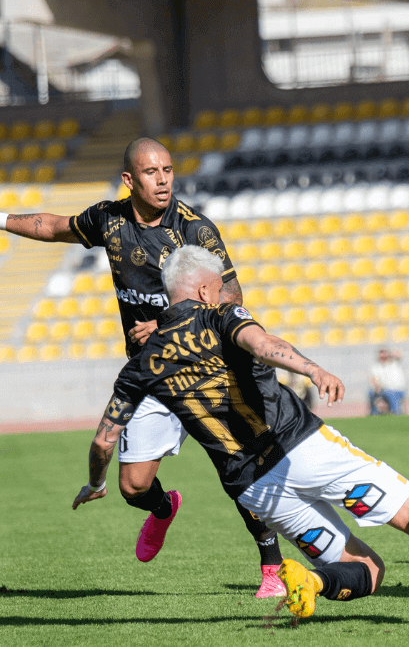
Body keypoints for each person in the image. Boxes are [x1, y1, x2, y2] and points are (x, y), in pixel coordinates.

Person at [71, 246, 409, 619]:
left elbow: (104, 440)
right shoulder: (220, 316)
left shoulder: (143, 362)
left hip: (252, 488)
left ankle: (313, 581)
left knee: (368, 568)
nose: (223, 295)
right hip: (300, 447)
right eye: (218, 288)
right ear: (203, 291)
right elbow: (263, 344)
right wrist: (313, 369)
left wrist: (94, 483)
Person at [0, 138, 286, 596]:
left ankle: (272, 568)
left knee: (234, 468)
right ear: (130, 180)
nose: (164, 180)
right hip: (152, 374)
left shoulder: (195, 229)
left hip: (203, 371)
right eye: (152, 172)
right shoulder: (108, 220)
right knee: (133, 487)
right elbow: (52, 226)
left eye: (168, 170)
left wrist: (169, 321)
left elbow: (231, 298)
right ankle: (163, 508)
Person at [368, 348, 406, 415]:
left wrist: (389, 354)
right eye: (381, 355)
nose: (382, 357)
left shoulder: (394, 363)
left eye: (384, 354)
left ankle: (396, 411)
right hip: (383, 389)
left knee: (391, 393)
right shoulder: (376, 367)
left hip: (397, 389)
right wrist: (376, 386)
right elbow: (373, 379)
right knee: (370, 392)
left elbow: (399, 354)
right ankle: (374, 412)